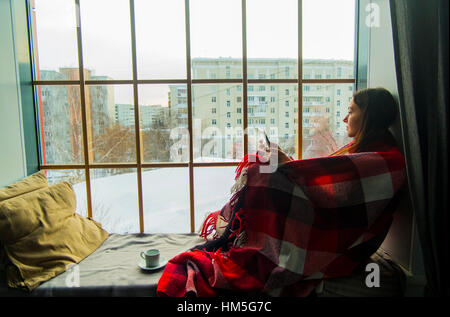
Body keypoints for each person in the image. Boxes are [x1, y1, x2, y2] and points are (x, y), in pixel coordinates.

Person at [273, 87, 399, 163]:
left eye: (350, 112)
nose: (345, 119)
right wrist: (288, 162)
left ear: (368, 116)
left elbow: (320, 179)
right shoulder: (361, 147)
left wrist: (287, 163)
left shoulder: (371, 159)